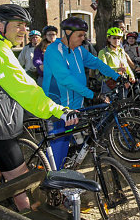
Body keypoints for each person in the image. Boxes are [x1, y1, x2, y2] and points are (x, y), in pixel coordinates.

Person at [0, 4, 78, 211]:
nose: (23, 30)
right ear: (0, 25)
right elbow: (23, 87)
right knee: (21, 182)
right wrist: (56, 110)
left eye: (25, 26)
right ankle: (29, 215)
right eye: (18, 25)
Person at [42, 17, 121, 169]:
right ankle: (51, 179)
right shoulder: (54, 50)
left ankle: (65, 171)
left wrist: (116, 76)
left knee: (71, 145)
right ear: (67, 33)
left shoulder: (78, 50)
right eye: (80, 35)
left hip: (76, 105)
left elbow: (97, 63)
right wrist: (93, 94)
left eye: (84, 35)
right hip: (58, 106)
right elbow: (66, 79)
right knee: (58, 148)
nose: (83, 38)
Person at [97, 27, 136, 94]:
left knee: (123, 103)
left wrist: (131, 76)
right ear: (109, 39)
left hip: (122, 82)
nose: (117, 40)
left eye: (119, 38)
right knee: (109, 103)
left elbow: (126, 66)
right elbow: (102, 69)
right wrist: (117, 69)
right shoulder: (103, 52)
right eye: (114, 38)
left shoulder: (121, 51)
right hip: (109, 83)